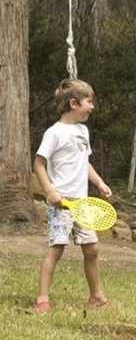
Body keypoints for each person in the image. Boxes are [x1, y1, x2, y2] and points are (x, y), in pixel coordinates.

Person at [32, 79, 112, 313]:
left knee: (92, 249)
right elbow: (38, 164)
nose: (92, 107)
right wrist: (50, 191)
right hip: (62, 204)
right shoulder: (54, 133)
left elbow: (84, 162)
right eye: (89, 102)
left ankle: (97, 296)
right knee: (56, 250)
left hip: (83, 204)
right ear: (74, 103)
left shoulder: (82, 131)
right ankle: (42, 299)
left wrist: (99, 182)